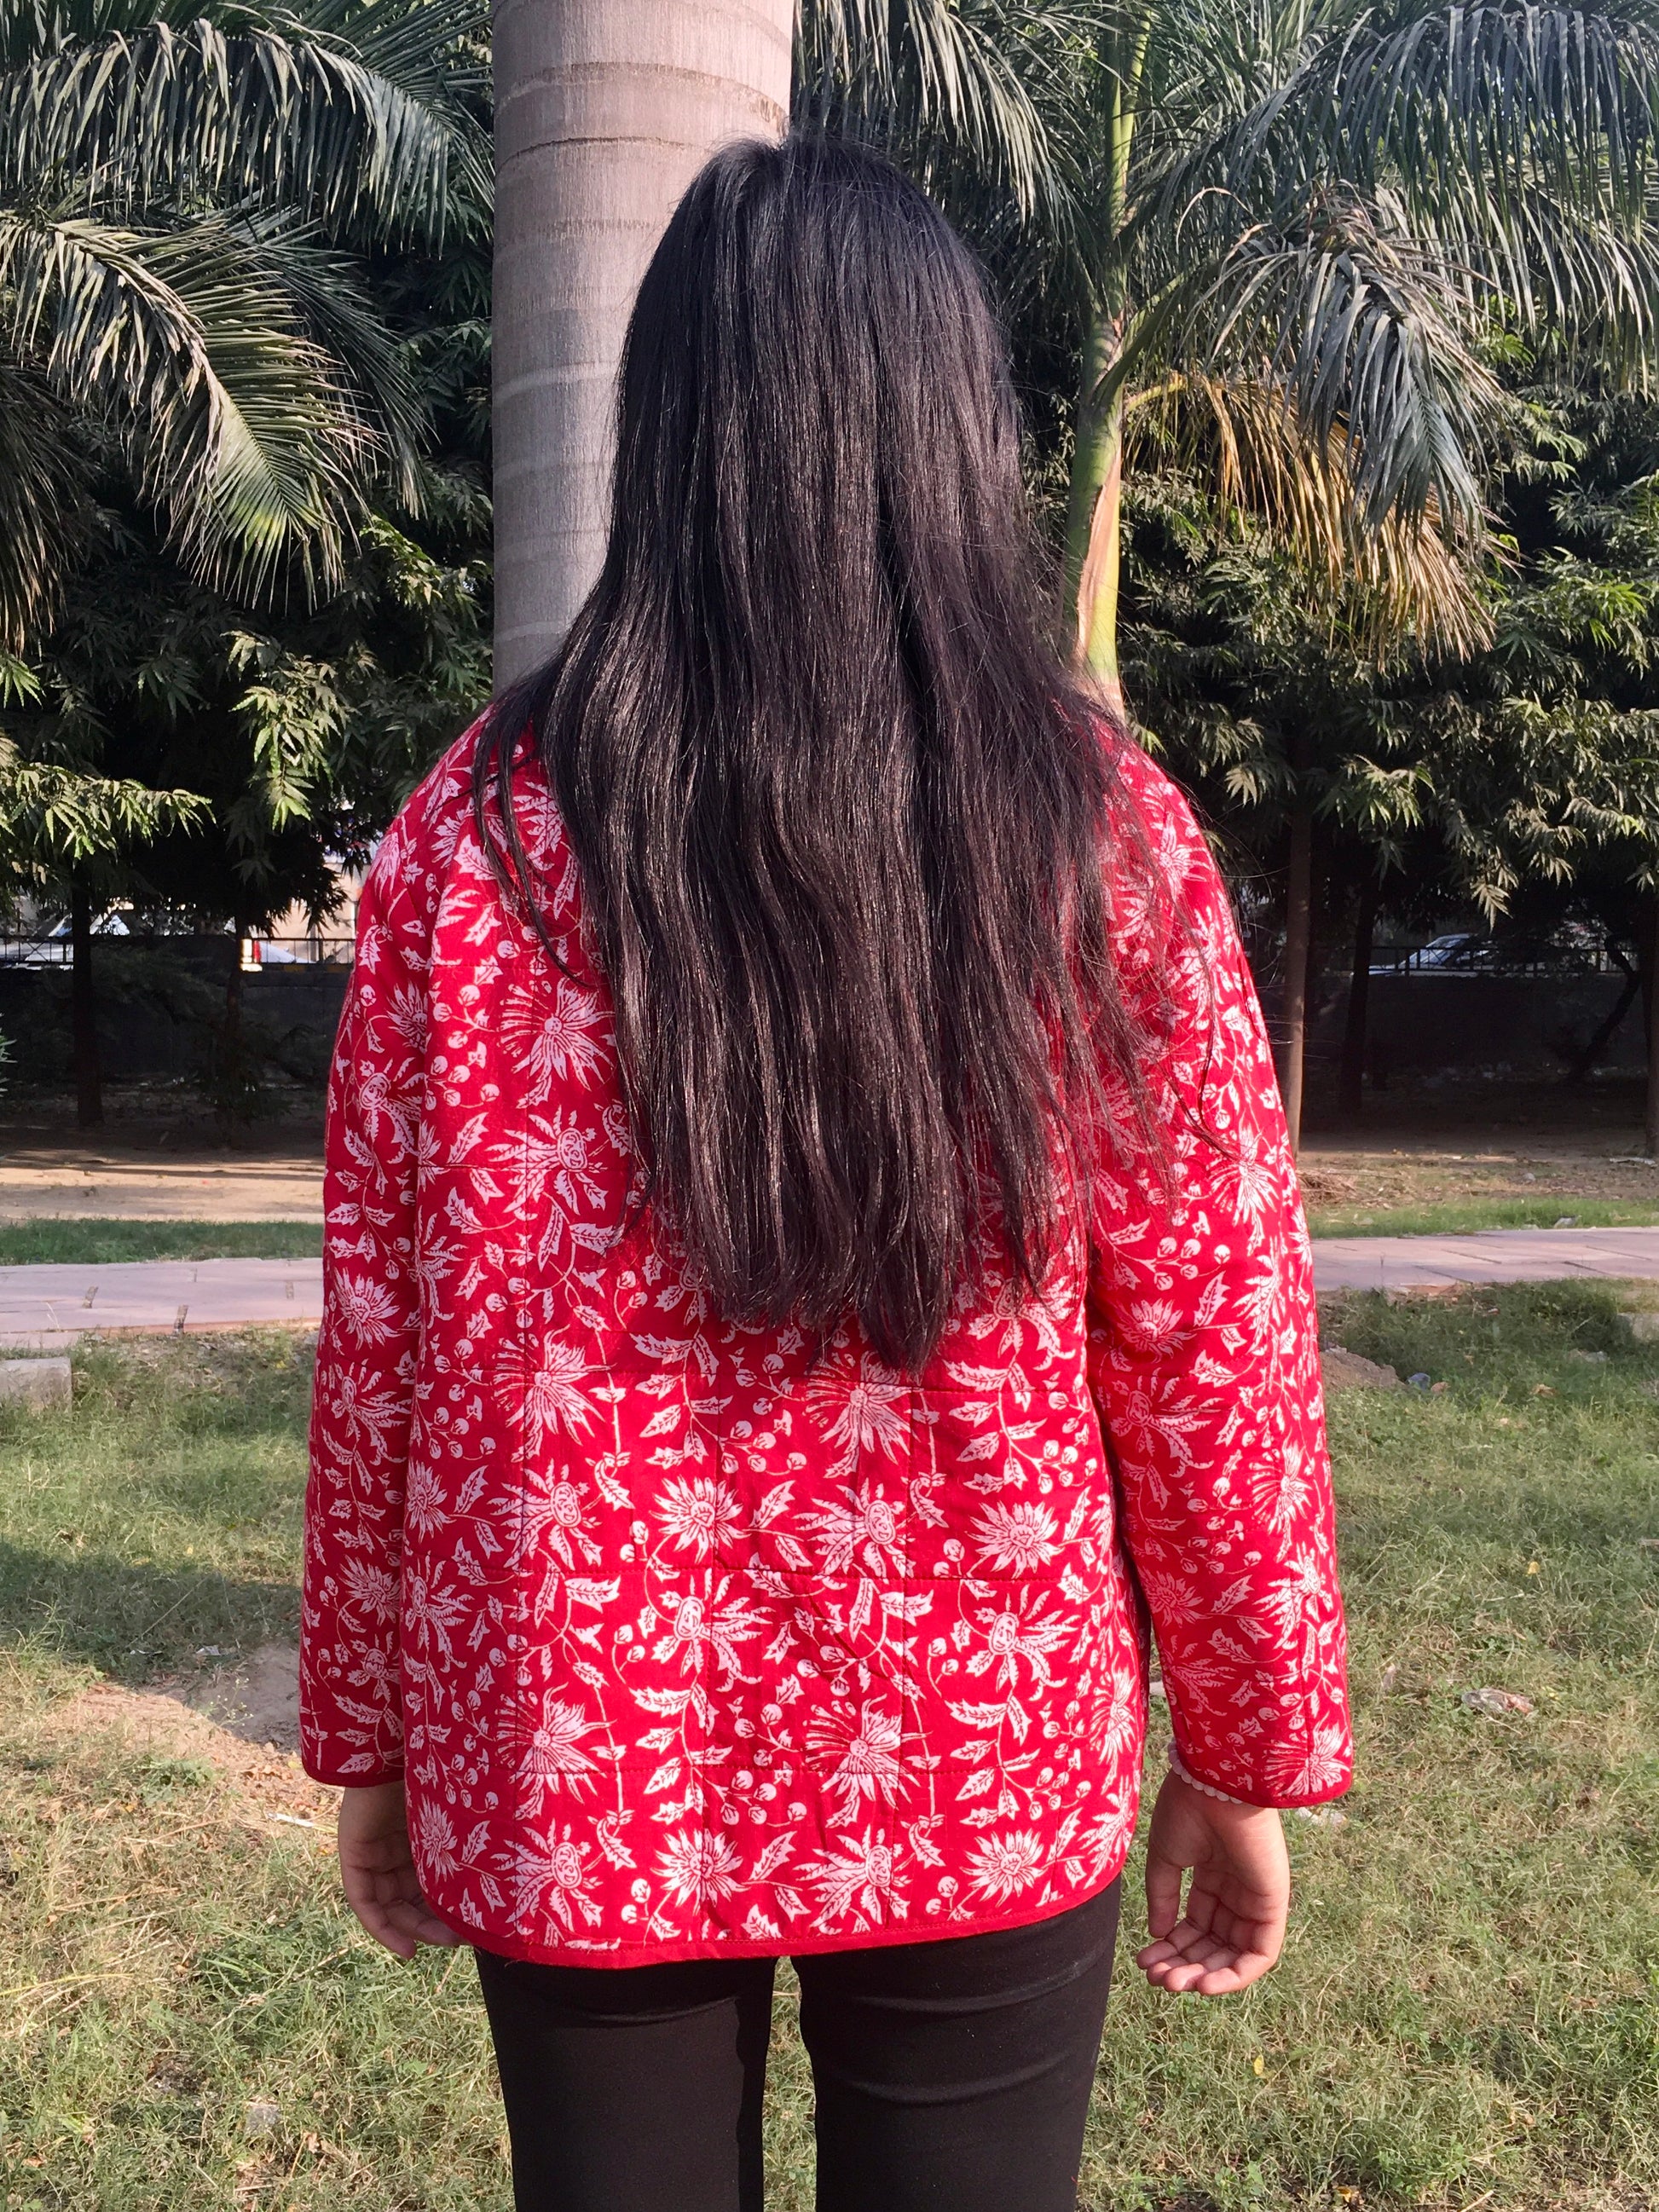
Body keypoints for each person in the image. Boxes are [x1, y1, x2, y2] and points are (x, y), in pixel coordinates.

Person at [299, 133, 1350, 2212]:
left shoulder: (475, 837)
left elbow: (383, 1330)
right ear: (957, 424)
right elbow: (1213, 1343)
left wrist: (384, 1724)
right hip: (981, 1728)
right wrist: (1243, 1749)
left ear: (668, 426)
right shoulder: (1098, 837)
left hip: (580, 1740)